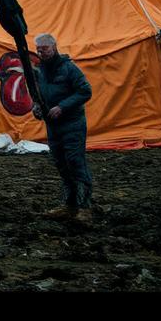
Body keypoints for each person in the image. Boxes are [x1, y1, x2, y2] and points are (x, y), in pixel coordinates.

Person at [32, 33, 95, 224]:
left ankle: (84, 208)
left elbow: (85, 91)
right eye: (38, 49)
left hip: (73, 123)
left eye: (45, 48)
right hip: (53, 126)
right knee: (61, 164)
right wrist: (36, 106)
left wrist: (63, 107)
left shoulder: (69, 68)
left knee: (75, 162)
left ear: (54, 47)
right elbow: (38, 94)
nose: (41, 52)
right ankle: (68, 205)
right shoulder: (39, 71)